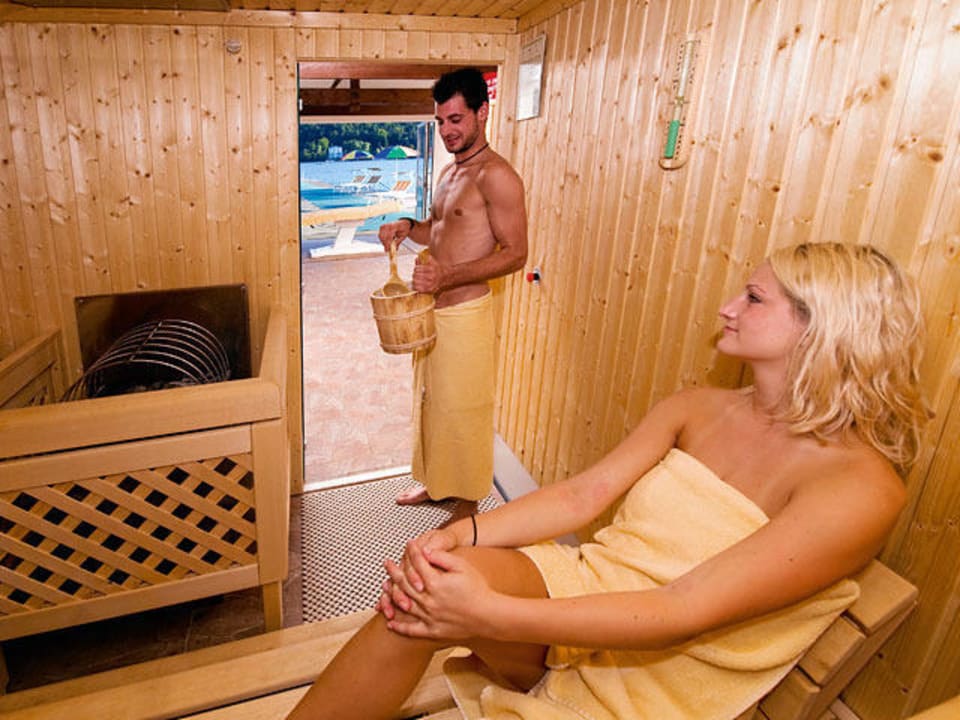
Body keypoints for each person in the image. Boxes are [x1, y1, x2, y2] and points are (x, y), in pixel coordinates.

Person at [287, 242, 929, 720]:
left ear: (823, 326)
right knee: (421, 591)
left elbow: (684, 609)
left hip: (671, 665)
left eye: (754, 299)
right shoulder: (698, 406)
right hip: (594, 588)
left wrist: (489, 613)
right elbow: (580, 496)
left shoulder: (858, 489)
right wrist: (463, 535)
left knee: (437, 600)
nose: (727, 308)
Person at [377, 67, 528, 506]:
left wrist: (446, 277)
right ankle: (437, 483)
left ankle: (468, 505)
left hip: (465, 313)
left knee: (463, 411)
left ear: (482, 112)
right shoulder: (450, 172)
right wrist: (408, 226)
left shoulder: (496, 176)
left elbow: (516, 254)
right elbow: (438, 230)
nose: (446, 130)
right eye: (440, 121)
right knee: (432, 403)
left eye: (456, 119)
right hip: (433, 311)